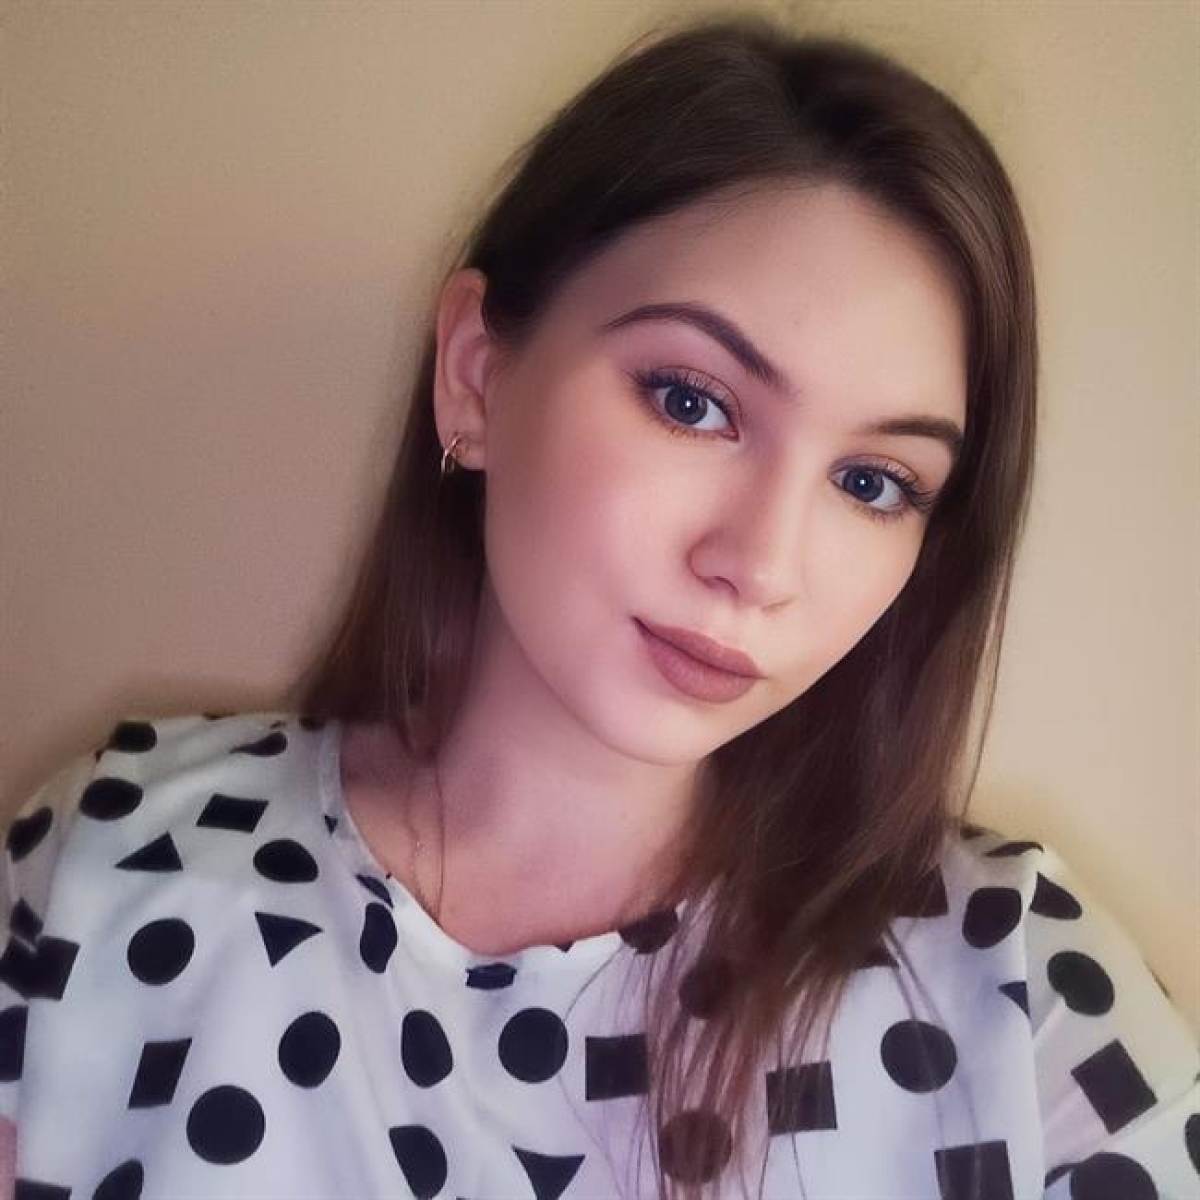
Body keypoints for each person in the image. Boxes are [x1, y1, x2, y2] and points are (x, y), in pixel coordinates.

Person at [0, 13, 1196, 1200]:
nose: (762, 564)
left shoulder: (1020, 999)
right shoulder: (114, 863)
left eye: (873, 482)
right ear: (477, 377)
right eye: (691, 402)